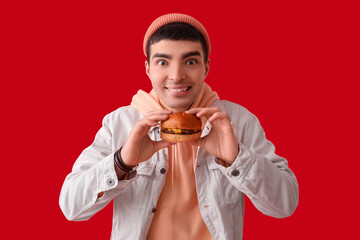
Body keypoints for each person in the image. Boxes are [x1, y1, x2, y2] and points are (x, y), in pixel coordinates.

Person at [59, 13, 299, 240]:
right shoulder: (119, 123)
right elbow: (71, 207)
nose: (176, 76)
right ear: (148, 69)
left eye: (190, 61)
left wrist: (237, 159)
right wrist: (122, 162)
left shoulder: (237, 121)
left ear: (206, 67)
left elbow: (285, 205)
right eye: (163, 62)